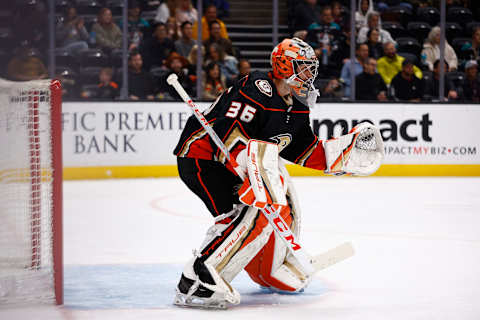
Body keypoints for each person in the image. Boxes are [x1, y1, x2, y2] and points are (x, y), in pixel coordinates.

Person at [172, 37, 383, 309]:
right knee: (240, 215)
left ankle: (269, 268)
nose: (310, 74)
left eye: (311, 68)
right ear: (284, 66)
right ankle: (199, 278)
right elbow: (229, 130)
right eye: (304, 67)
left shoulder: (297, 104)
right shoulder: (256, 86)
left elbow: (301, 148)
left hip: (238, 164)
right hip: (203, 157)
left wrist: (336, 157)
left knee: (275, 196)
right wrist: (249, 170)